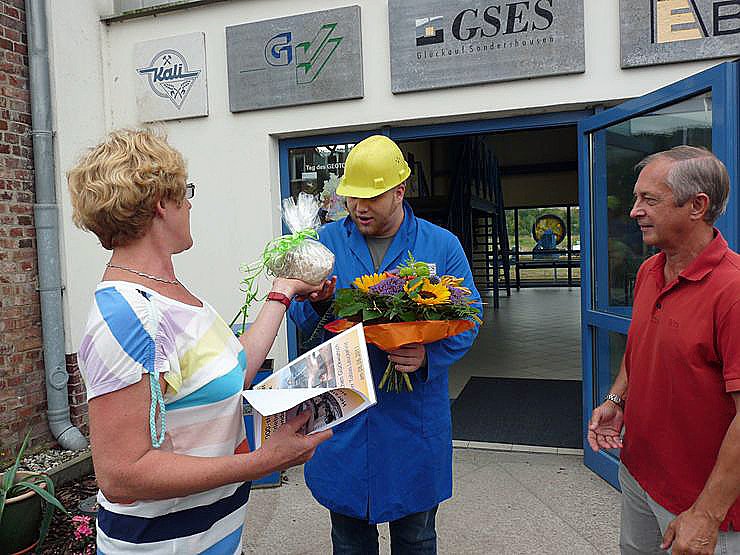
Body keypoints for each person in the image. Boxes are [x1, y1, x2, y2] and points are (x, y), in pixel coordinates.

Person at [67, 128, 333, 553]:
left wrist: (282, 291)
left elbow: (232, 371)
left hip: (214, 536)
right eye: (184, 193)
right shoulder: (128, 315)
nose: (189, 204)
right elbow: (120, 475)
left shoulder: (172, 294)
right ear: (161, 203)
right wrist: (261, 463)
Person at [290, 135, 481, 554]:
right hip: (344, 416)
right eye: (352, 196)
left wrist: (428, 355)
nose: (360, 207)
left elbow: (470, 319)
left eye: (372, 197)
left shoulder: (440, 245)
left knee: (416, 537)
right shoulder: (323, 244)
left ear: (399, 192)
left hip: (412, 419)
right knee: (349, 539)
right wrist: (316, 304)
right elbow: (301, 321)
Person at [587, 146, 740, 555]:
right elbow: (641, 347)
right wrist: (617, 399)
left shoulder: (733, 291)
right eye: (636, 198)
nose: (634, 210)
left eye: (649, 199)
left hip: (700, 505)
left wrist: (706, 515)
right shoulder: (649, 270)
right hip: (638, 474)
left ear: (697, 206)